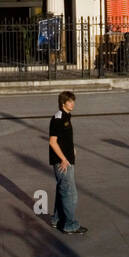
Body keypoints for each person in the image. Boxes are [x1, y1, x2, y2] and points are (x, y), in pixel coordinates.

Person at [48, 91, 86, 235]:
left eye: (73, 101)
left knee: (62, 190)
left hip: (67, 159)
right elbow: (53, 142)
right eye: (70, 101)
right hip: (63, 163)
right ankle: (70, 225)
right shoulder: (58, 119)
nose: (73, 103)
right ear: (63, 103)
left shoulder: (66, 116)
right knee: (70, 194)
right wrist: (64, 159)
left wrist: (72, 148)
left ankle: (57, 220)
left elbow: (64, 138)